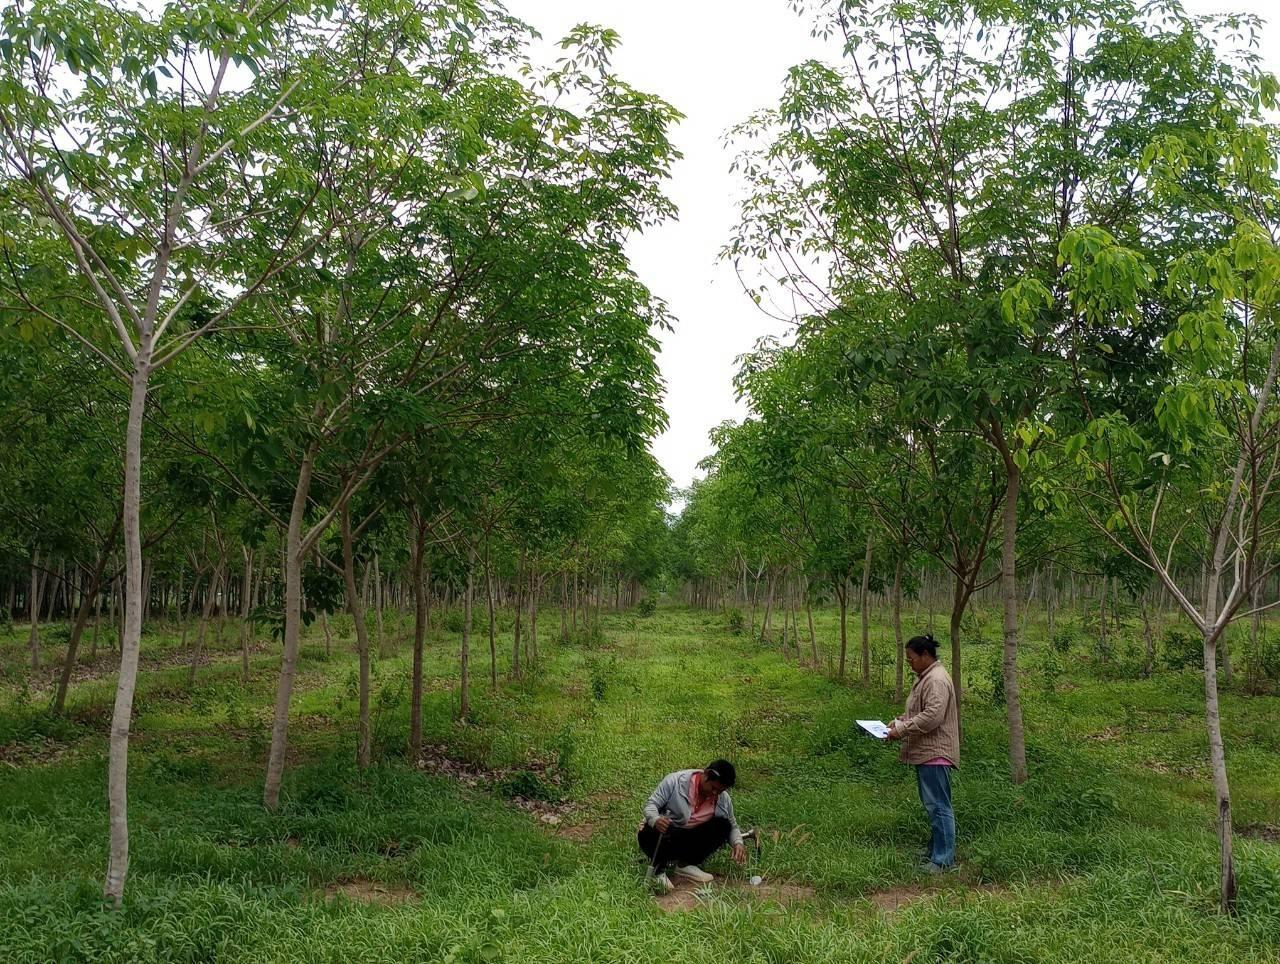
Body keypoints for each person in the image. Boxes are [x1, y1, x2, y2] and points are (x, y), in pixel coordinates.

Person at [887, 633, 959, 872]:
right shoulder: (926, 677)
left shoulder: (936, 680)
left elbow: (932, 717)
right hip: (927, 752)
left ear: (925, 654)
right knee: (934, 805)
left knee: (939, 806)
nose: (909, 663)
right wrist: (900, 721)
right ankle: (935, 850)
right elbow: (921, 711)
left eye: (911, 658)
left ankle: (943, 860)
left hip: (935, 753)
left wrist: (902, 730)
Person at [638, 759, 747, 890]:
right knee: (650, 828)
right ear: (706, 774)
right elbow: (651, 805)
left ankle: (686, 865)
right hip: (668, 833)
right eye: (713, 788)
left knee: (724, 825)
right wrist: (655, 819)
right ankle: (658, 870)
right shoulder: (675, 781)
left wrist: (737, 843)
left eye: (720, 791)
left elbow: (733, 825)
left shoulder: (723, 799)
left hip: (691, 837)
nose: (715, 793)